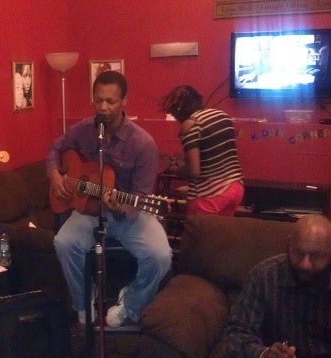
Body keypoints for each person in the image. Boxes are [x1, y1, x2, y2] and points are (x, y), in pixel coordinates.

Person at [47, 71, 172, 328]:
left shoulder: (143, 144)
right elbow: (55, 150)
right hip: (88, 211)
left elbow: (141, 196)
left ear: (124, 101)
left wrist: (120, 205)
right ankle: (83, 302)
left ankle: (130, 303)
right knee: (63, 242)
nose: (103, 107)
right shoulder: (82, 130)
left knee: (161, 256)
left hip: (129, 214)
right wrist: (55, 176)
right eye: (98, 100)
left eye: (111, 101)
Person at [225, 214, 331, 357]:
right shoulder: (264, 276)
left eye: (316, 256)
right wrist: (264, 354)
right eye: (298, 252)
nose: (305, 264)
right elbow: (237, 332)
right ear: (288, 245)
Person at [160, 85, 244, 216]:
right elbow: (213, 154)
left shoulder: (190, 124)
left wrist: (171, 167)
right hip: (235, 188)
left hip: (211, 194)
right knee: (221, 234)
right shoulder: (222, 115)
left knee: (198, 234)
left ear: (178, 110)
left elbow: (194, 172)